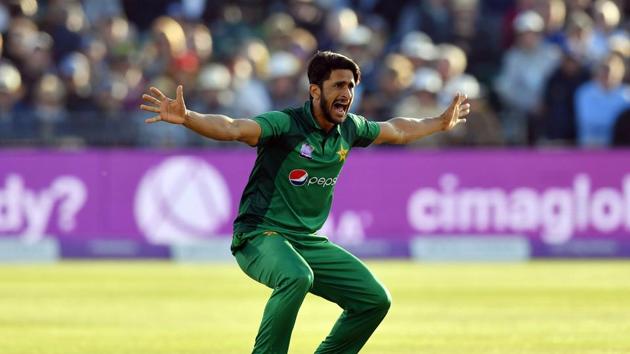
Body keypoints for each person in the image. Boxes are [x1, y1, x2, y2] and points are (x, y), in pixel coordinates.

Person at [140, 51, 470, 354]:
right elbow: (234, 128)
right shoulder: (286, 124)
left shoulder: (350, 129)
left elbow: (396, 130)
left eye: (351, 86)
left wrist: (439, 123)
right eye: (338, 85)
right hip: (258, 236)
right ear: (315, 91)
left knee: (374, 300)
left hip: (305, 241)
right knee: (297, 277)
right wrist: (188, 118)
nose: (347, 94)